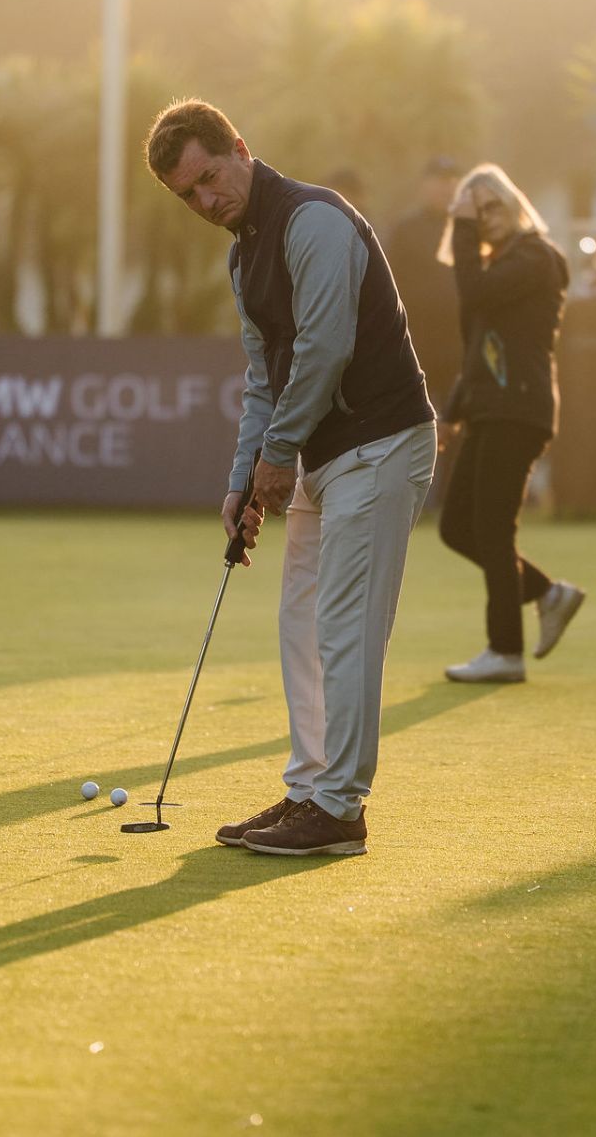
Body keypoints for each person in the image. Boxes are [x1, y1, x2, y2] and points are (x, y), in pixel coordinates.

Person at [145, 99, 435, 857]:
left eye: (210, 178)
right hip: (318, 451)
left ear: (239, 148)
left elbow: (324, 348)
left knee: (344, 626)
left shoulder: (316, 222)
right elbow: (264, 377)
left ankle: (340, 809)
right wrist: (243, 479)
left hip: (380, 442)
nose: (206, 201)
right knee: (300, 626)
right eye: (188, 195)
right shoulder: (243, 257)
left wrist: (277, 457)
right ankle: (309, 788)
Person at [434, 164, 585, 683]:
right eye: (476, 213)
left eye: (493, 205)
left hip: (519, 409)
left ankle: (505, 651)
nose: (486, 218)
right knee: (457, 527)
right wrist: (451, 414)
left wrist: (461, 225)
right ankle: (548, 593)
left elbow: (474, 294)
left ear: (514, 203)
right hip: (490, 409)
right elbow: (478, 351)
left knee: (494, 530)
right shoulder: (496, 267)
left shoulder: (537, 257)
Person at [388, 156, 464, 504]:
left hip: (458, 346)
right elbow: (390, 287)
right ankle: (406, 498)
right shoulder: (406, 230)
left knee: (456, 424)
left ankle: (452, 499)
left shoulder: (467, 228)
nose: (445, 188)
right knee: (411, 426)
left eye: (451, 181)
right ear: (424, 185)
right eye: (438, 180)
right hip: (415, 345)